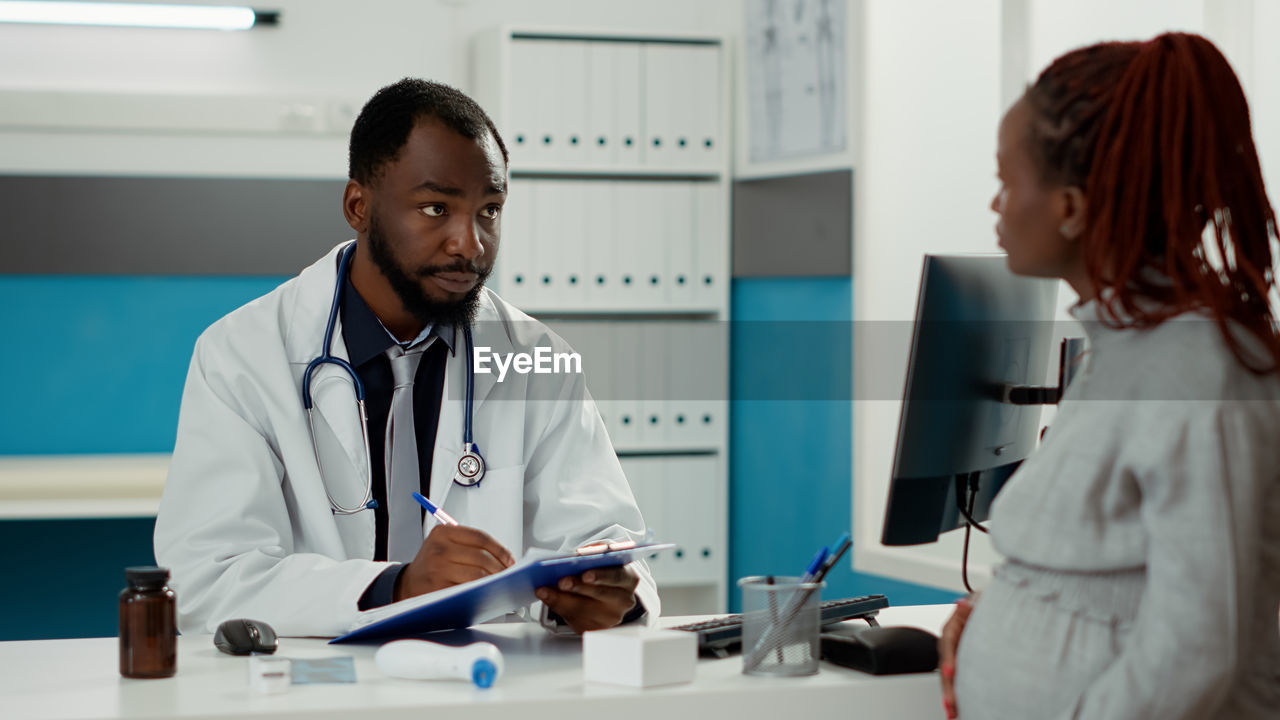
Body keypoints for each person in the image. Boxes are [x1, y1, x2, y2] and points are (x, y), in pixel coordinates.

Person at [154, 78, 658, 637]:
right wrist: (396, 587)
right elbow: (205, 580)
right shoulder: (243, 355)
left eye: (489, 210)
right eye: (435, 207)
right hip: (306, 690)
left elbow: (611, 542)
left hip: (489, 687)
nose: (469, 243)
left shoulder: (535, 358)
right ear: (358, 206)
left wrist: (612, 598)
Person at [936, 33, 1280, 719]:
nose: (996, 206)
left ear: (1070, 208)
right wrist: (997, 615)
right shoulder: (1122, 348)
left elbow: (1197, 653)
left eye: (1007, 181)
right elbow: (1113, 577)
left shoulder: (1199, 369)